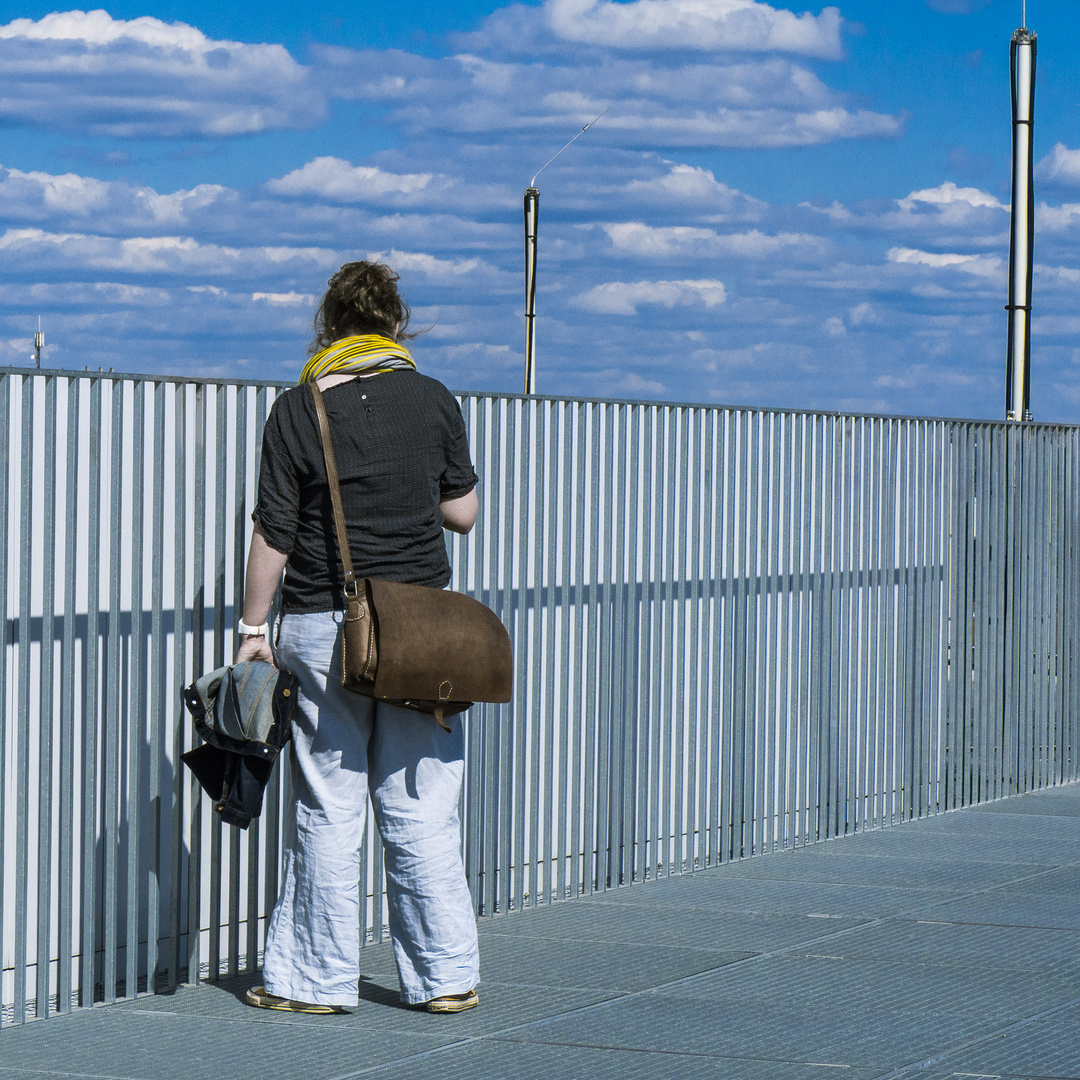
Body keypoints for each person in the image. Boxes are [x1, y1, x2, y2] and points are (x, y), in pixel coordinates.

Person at [234, 261, 481, 1014]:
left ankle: (314, 982)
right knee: (422, 802)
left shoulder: (298, 409)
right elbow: (463, 514)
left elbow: (274, 536)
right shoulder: (435, 400)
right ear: (395, 323)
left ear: (328, 324)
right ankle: (446, 979)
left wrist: (251, 629)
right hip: (420, 624)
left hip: (322, 623)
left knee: (328, 804)